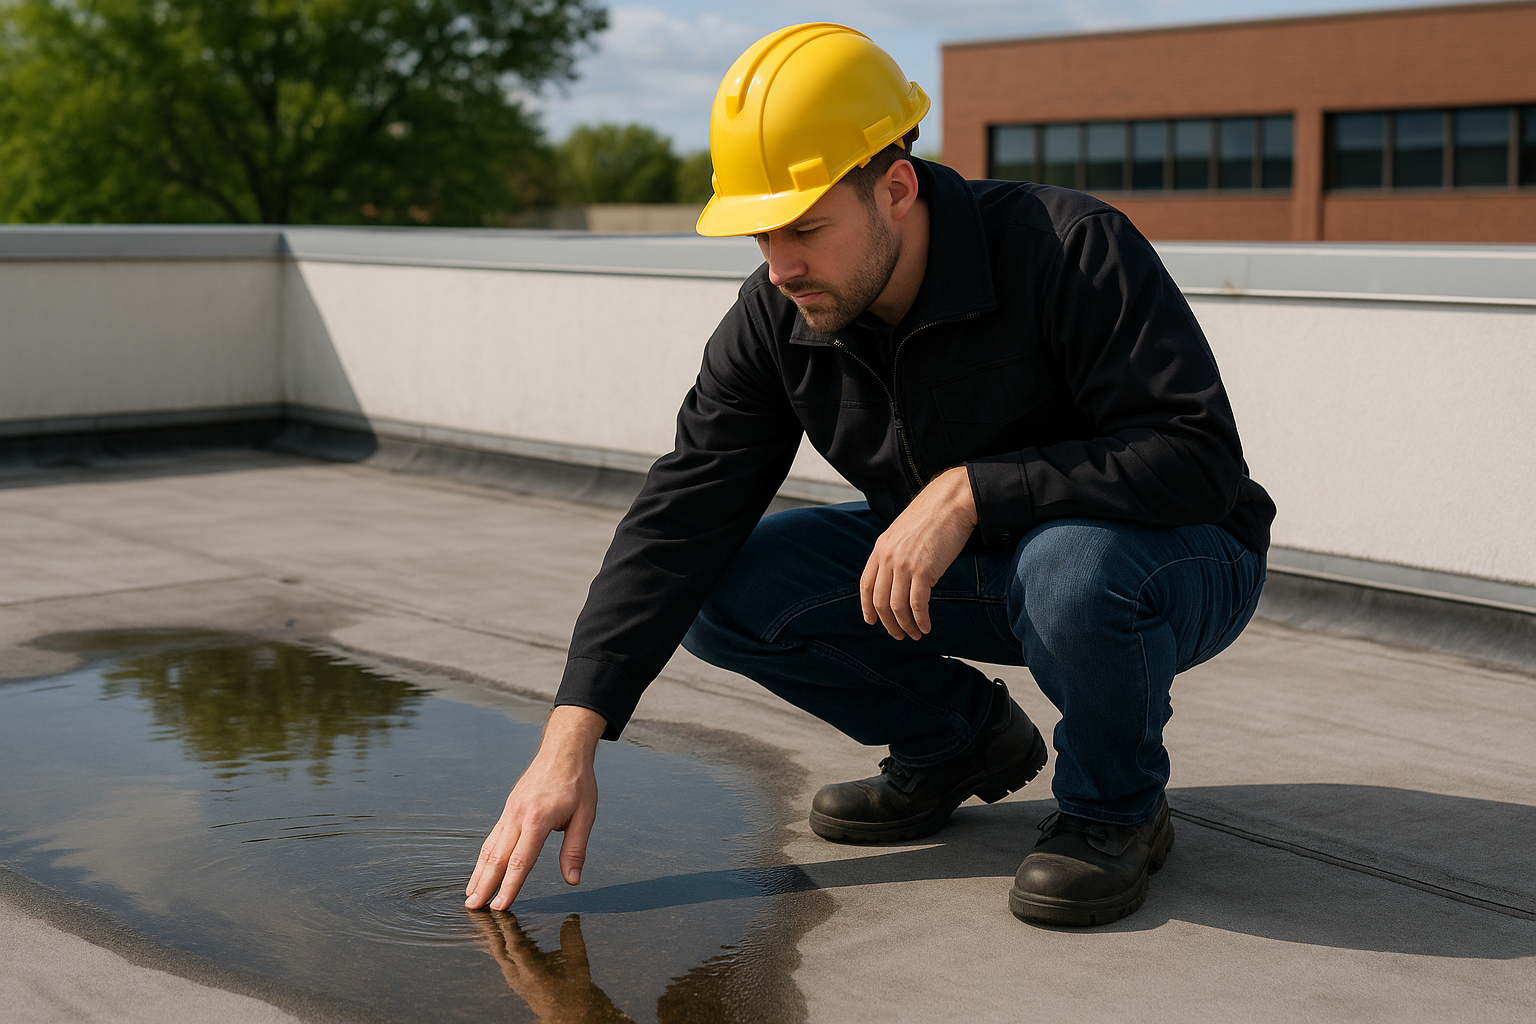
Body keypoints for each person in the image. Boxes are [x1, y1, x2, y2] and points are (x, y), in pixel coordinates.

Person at [464, 23, 1274, 927]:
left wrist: (975, 488)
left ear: (894, 187)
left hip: (1171, 560)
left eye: (805, 228)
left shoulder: (1068, 247)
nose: (781, 267)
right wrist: (570, 738)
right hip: (988, 573)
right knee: (727, 583)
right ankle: (956, 739)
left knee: (1071, 570)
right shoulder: (781, 314)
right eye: (762, 235)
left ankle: (1114, 810)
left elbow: (1197, 460)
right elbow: (681, 514)